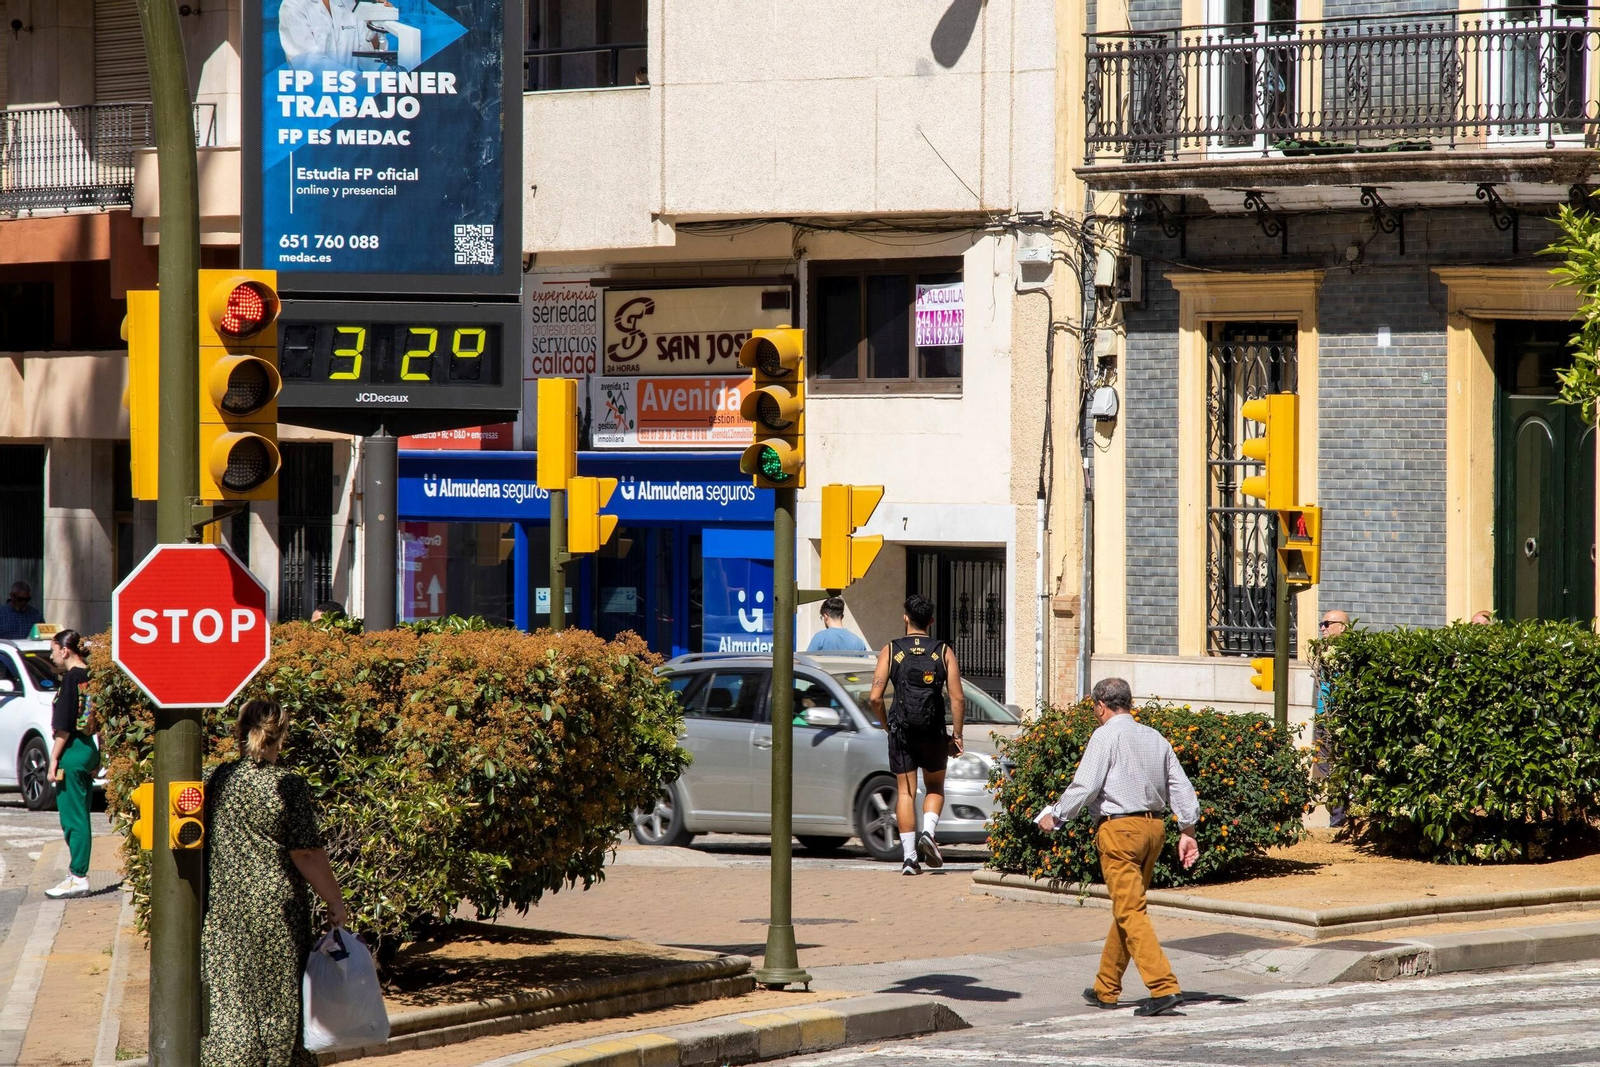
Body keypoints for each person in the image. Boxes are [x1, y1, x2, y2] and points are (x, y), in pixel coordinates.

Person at [1036, 677, 1199, 1017]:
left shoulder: (1105, 734)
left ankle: (1163, 987)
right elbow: (1180, 786)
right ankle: (1105, 987)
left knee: (1130, 911)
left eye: (1094, 708)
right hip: (1154, 829)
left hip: (1119, 830)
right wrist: (1188, 830)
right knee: (1129, 907)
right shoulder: (1154, 736)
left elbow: (1085, 786)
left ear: (1101, 705)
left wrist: (1057, 814)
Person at [202, 699, 349, 1067]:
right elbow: (307, 854)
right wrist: (335, 900)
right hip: (275, 911)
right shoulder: (288, 785)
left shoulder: (218, 778)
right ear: (280, 734)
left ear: (240, 729)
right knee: (277, 1001)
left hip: (225, 908)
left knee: (230, 1001)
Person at [868, 594, 965, 875]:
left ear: (905, 618)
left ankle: (910, 858)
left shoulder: (891, 649)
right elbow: (957, 699)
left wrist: (888, 725)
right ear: (931, 621)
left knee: (905, 792)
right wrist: (956, 736)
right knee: (934, 788)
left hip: (902, 730)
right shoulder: (943, 651)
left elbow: (875, 697)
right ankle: (928, 832)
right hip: (934, 731)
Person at [45, 630, 99, 899]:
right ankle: (77, 873)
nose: (52, 656)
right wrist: (99, 757)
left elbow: (64, 726)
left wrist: (54, 758)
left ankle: (78, 876)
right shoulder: (90, 676)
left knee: (72, 818)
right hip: (88, 748)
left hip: (73, 750)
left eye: (53, 650)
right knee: (82, 815)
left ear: (65, 651)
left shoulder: (71, 680)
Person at [278, 0, 392, 70]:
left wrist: (376, 23)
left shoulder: (349, 3)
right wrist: (357, 80)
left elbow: (368, 66)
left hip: (353, 99)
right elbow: (308, 63)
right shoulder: (293, 5)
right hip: (315, 101)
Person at [1314, 610, 1349, 828]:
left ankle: (1341, 820)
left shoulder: (1348, 656)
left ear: (1342, 627)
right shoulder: (1322, 653)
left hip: (1340, 720)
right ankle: (1337, 819)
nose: (1323, 628)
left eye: (1327, 623)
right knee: (1329, 772)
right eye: (1321, 623)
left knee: (1340, 772)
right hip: (1322, 720)